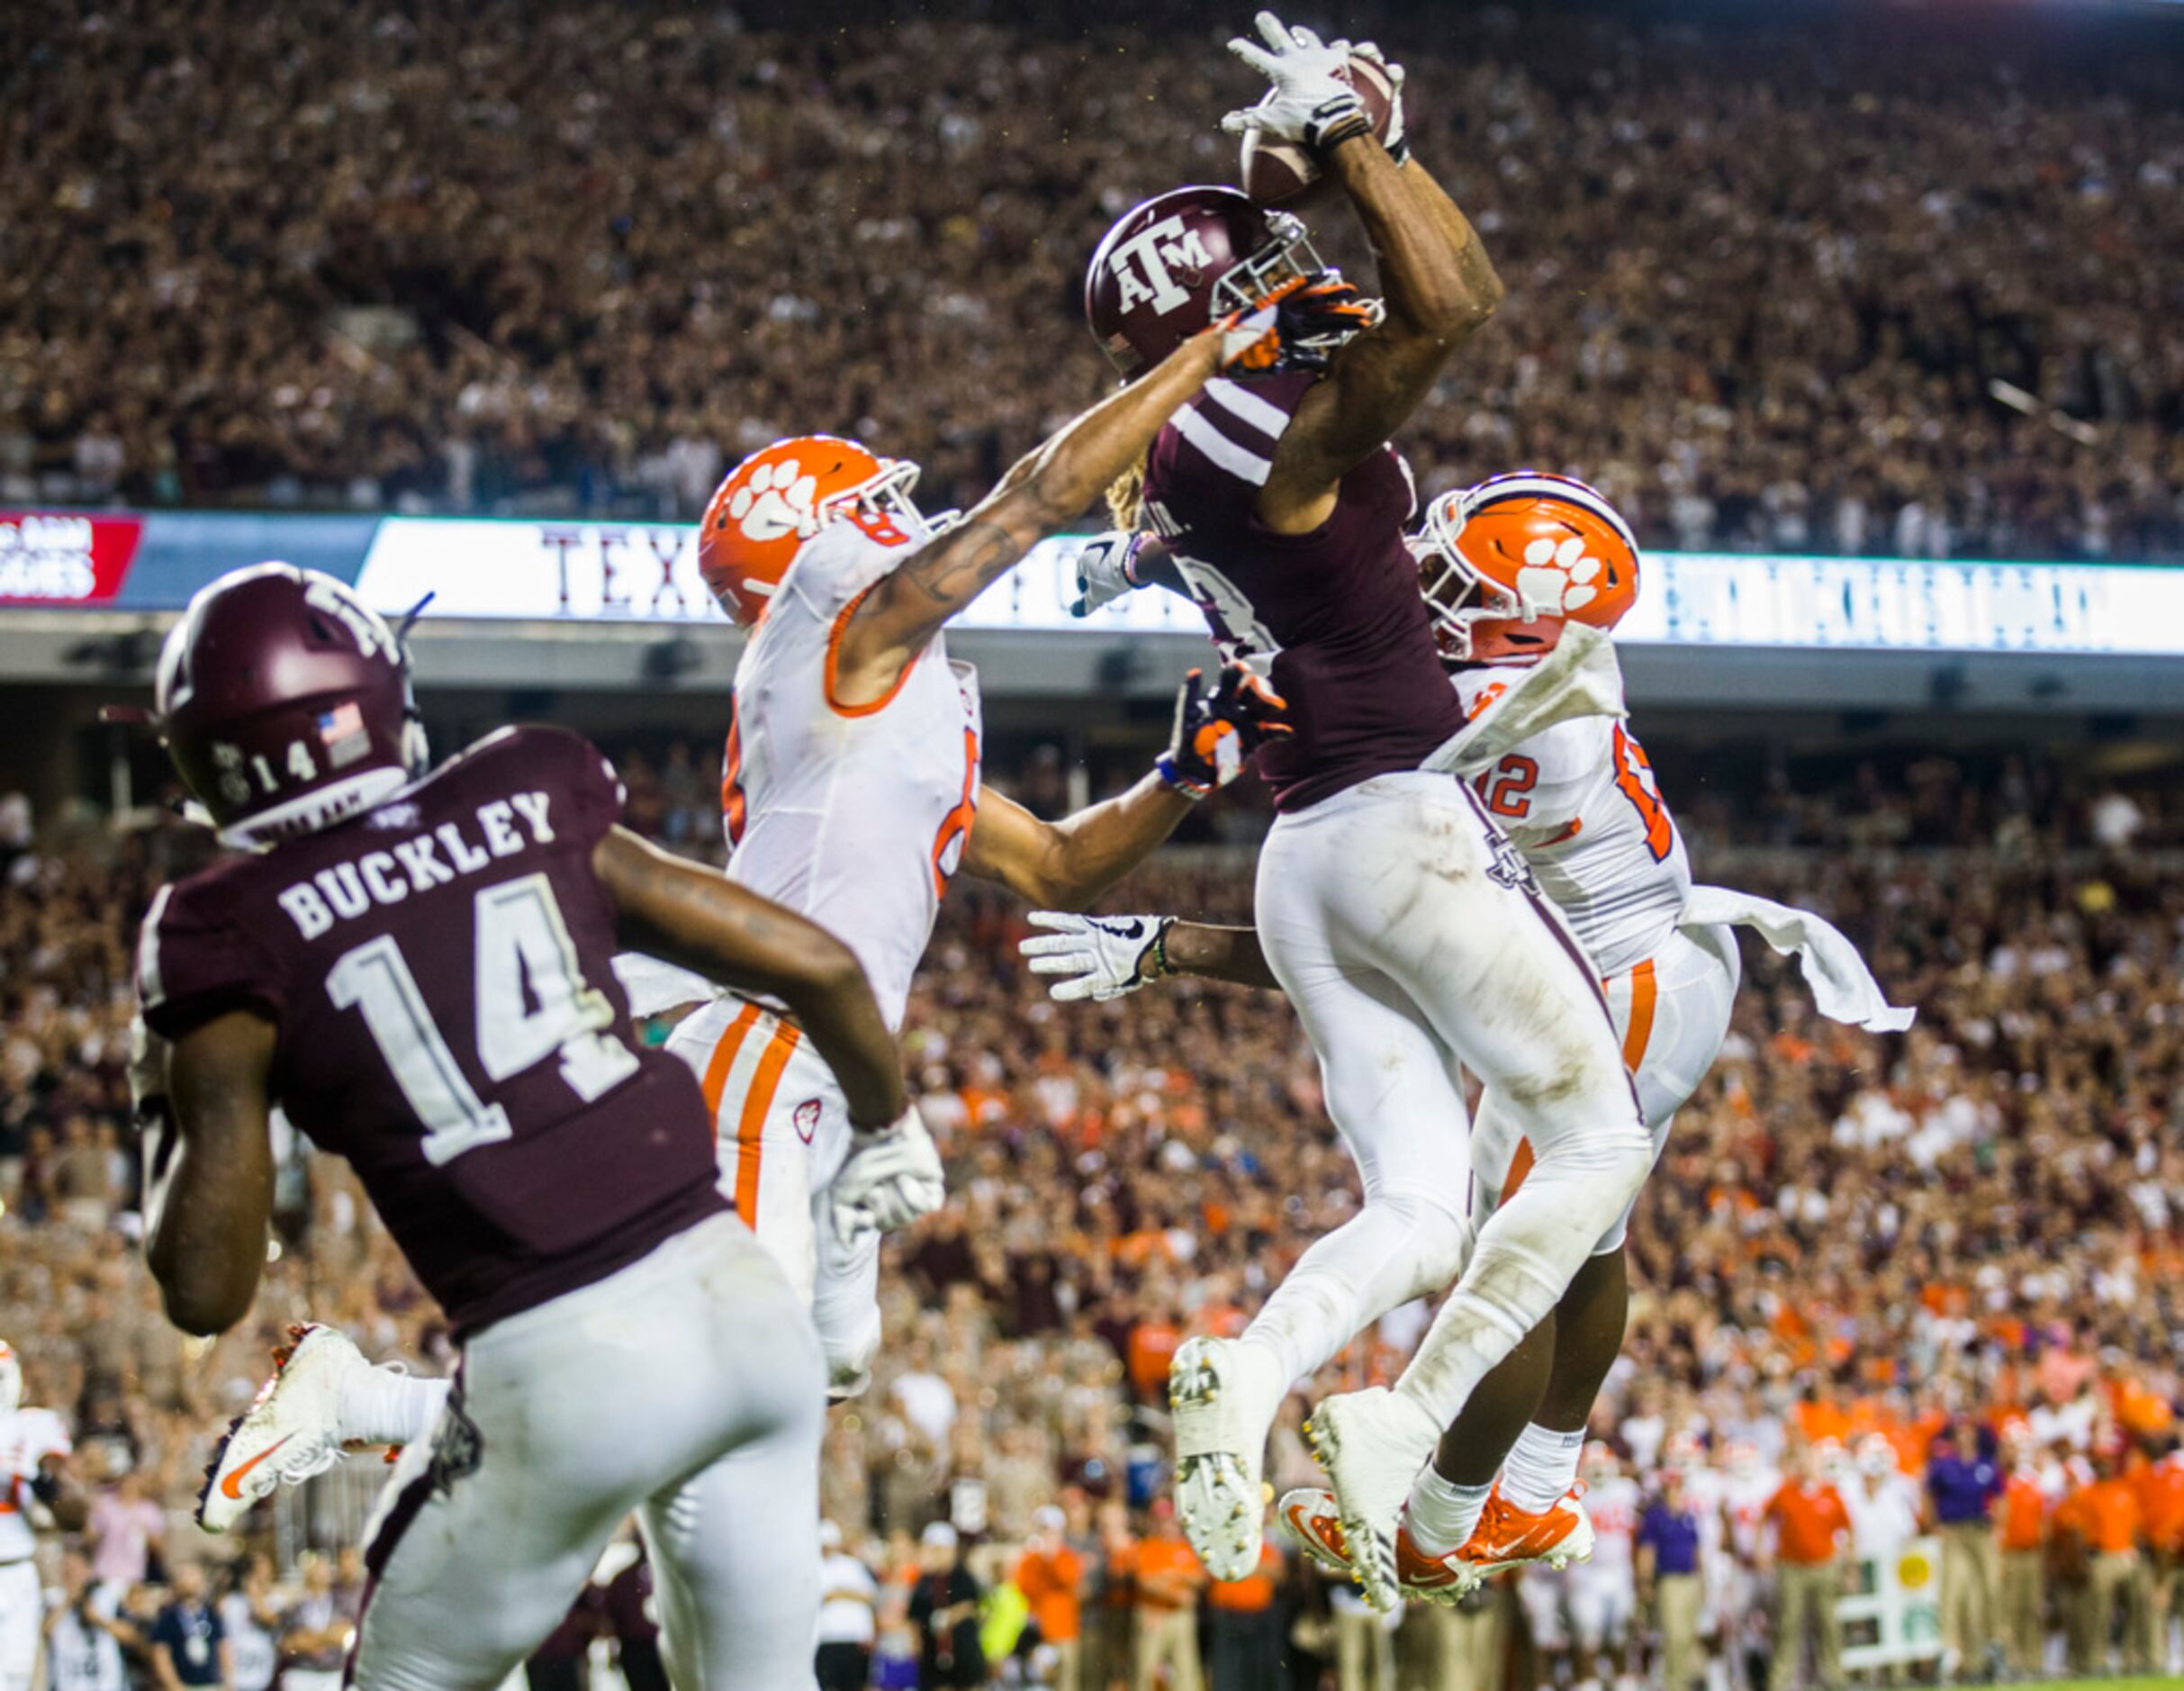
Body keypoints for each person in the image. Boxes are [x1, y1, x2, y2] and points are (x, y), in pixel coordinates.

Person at [199, 275, 1308, 1523]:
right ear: (822, 549)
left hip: (835, 1057)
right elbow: (1033, 502)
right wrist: (1209, 352)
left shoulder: (876, 698)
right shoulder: (842, 627)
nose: (900, 516)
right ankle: (366, 1397)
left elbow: (1056, 866)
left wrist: (1178, 775)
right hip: (769, 1042)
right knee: (719, 1387)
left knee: (827, 1360)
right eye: (872, 507)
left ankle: (404, 1412)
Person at [1038, 474, 1908, 1604]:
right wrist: (1161, 559)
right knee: (1577, 1238)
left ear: (1524, 622)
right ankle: (1532, 1490)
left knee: (1522, 1248)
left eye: (1456, 581)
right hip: (1596, 961)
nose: (1423, 586)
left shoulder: (1511, 730)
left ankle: (1443, 1519)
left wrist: (1172, 947)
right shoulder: (1486, 682)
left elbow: (1371, 923)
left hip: (1630, 975)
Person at [1077, 12, 1656, 1612]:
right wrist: (1347, 147)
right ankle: (1401, 1421)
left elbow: (1276, 307)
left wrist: (1298, 181)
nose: (1287, 272)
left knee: (1414, 1203)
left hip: (1297, 856)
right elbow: (1454, 302)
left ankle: (1251, 1377)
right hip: (1398, 823)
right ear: (1225, 304)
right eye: (1257, 263)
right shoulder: (1274, 433)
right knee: (1597, 1135)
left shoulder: (1172, 449)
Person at [130, 564, 914, 1687]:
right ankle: (355, 1398)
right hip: (745, 1319)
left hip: (554, 1356)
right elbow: (819, 965)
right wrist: (887, 1128)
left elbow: (204, 1288)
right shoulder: (526, 783)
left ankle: (352, 1395)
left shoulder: (220, 931)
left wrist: (162, 1092)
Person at [0, 1340, 85, 1691]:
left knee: (14, 1680)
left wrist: (41, 1481)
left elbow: (76, 1513)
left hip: (15, 1570)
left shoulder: (33, 1426)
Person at [1762, 1446, 1849, 1691]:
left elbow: (1847, 1528)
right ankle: (1780, 1681)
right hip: (1791, 1567)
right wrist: (1762, 1550)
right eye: (1803, 1461)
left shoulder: (1830, 1493)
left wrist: (1848, 1562)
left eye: (1812, 1462)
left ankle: (1834, 1677)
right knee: (1789, 1624)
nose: (1807, 1467)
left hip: (1824, 1565)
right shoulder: (1786, 1492)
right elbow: (1764, 1518)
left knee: (1828, 1624)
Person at [1925, 1418, 2001, 1678]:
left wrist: (1999, 1526)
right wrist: (1933, 1523)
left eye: (1967, 1432)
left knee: (1988, 1589)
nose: (1964, 1438)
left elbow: (2001, 1496)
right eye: (1959, 1433)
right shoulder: (1944, 1466)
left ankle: (1989, 1649)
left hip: (1980, 1530)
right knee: (1953, 1589)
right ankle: (1949, 1651)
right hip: (1954, 1532)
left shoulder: (1985, 1465)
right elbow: (1928, 1494)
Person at [1637, 1466, 1705, 1691]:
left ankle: (1684, 1680)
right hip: (1668, 1581)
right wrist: (1645, 1581)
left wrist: (1702, 1581)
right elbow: (1647, 1551)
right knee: (1673, 1636)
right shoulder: (1656, 1517)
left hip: (1689, 1580)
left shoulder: (1688, 1517)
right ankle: (1673, 1684)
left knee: (1688, 1636)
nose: (1678, 1492)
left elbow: (1696, 1551)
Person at [1130, 1500, 1205, 1691]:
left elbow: (1200, 1578)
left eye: (1170, 1520)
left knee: (1185, 1671)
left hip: (1181, 1616)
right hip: (1154, 1614)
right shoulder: (1147, 1546)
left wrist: (1170, 1575)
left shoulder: (1186, 1547)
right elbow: (1145, 1581)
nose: (1167, 1525)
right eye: (1162, 1521)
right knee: (1146, 1671)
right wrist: (1176, 1591)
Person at [42, 1551, 139, 1691]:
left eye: (76, 1569)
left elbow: (132, 1637)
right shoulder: (54, 1601)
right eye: (67, 1569)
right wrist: (68, 1601)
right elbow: (46, 1632)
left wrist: (98, 1619)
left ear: (88, 1570)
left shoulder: (107, 1598)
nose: (71, 1574)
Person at [1015, 1506, 1086, 1691]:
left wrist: (1050, 1559)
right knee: (1037, 1684)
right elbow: (1024, 1587)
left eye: (1051, 1531)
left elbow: (1067, 1579)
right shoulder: (1030, 1559)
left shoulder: (1068, 1557)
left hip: (1064, 1632)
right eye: (1044, 1531)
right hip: (1039, 1633)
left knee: (1066, 1683)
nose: (1047, 1536)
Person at [909, 1524, 986, 1690]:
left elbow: (974, 1605)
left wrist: (950, 1616)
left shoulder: (963, 1577)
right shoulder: (925, 1581)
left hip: (962, 1653)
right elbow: (915, 1615)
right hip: (933, 1655)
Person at [1204, 1532, 1283, 1691]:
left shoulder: (1264, 1547)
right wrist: (1255, 1568)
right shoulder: (1219, 1546)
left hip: (1259, 1614)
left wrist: (1241, 1566)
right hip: (1226, 1614)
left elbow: (1279, 1573)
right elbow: (1213, 1570)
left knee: (1257, 1668)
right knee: (1227, 1671)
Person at [817, 1521, 879, 1691]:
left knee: (854, 1684)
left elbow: (869, 1594)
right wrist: (848, 1593)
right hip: (826, 1637)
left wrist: (839, 1593)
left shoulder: (851, 1565)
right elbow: (825, 1596)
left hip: (854, 1637)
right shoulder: (815, 1566)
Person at [149, 1563, 230, 1691]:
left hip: (211, 1685)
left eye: (195, 1575)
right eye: (185, 1575)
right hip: (183, 1686)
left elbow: (223, 1647)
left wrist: (228, 1681)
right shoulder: (169, 1618)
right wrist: (173, 1685)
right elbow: (161, 1653)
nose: (191, 1581)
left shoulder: (212, 1615)